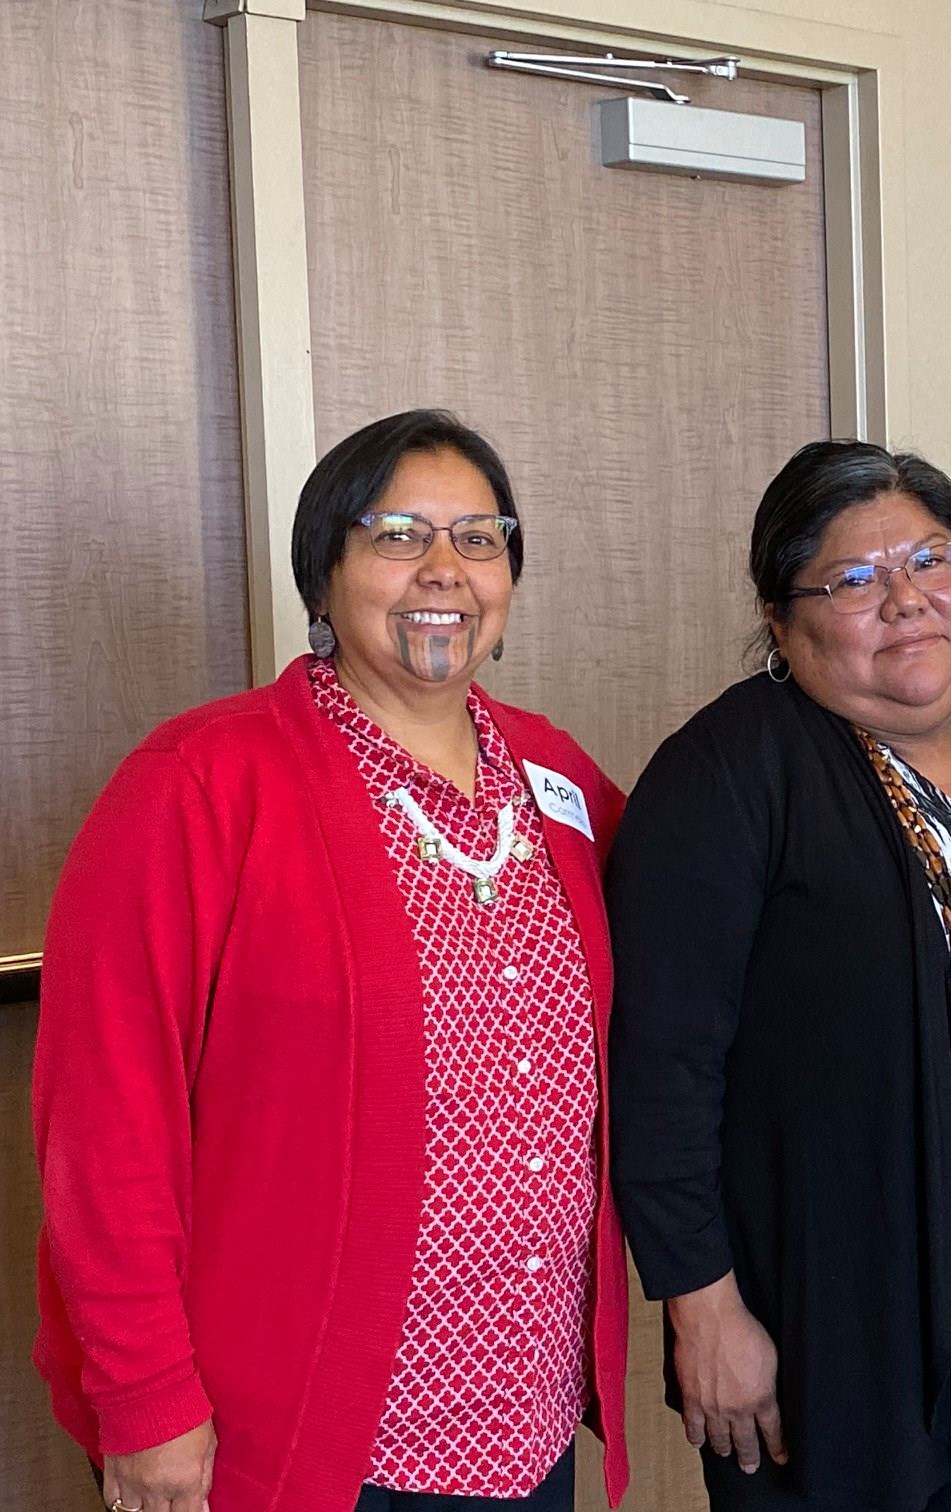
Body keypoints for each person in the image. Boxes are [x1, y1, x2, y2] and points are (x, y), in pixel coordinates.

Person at [33, 411, 630, 1512]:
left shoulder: (556, 775)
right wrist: (147, 1399)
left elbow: (692, 968)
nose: (445, 569)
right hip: (305, 1430)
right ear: (324, 571)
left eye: (480, 538)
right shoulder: (198, 783)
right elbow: (106, 1121)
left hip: (525, 1411)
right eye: (398, 535)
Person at [605, 440, 951, 1512]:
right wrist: (701, 1306)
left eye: (932, 559)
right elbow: (658, 1066)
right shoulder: (726, 773)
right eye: (854, 580)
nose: (907, 600)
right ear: (780, 619)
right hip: (831, 1333)